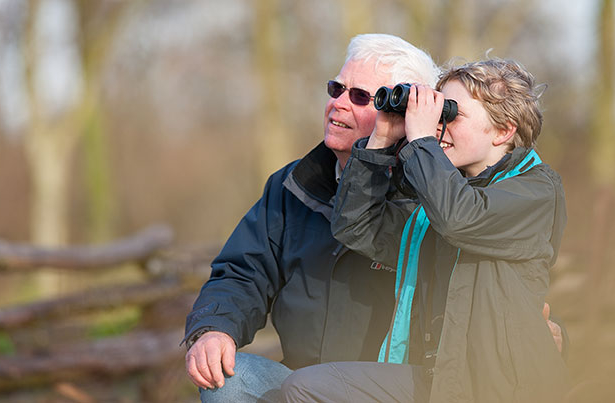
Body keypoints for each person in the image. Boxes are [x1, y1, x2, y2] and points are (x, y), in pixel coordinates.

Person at [184, 35, 566, 402]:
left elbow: (504, 287)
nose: (339, 104)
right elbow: (256, 266)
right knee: (232, 381)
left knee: (307, 388)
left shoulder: (440, 194)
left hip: (397, 380)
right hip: (309, 379)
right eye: (337, 89)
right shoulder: (292, 186)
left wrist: (420, 142)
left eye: (363, 97)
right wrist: (214, 328)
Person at [281, 58, 569, 402]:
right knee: (307, 387)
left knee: (307, 389)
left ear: (503, 131)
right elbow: (357, 227)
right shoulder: (440, 196)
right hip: (438, 377)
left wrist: (420, 141)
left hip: (496, 386)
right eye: (436, 115)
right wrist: (381, 139)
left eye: (450, 115)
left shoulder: (535, 191)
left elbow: (462, 219)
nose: (437, 128)